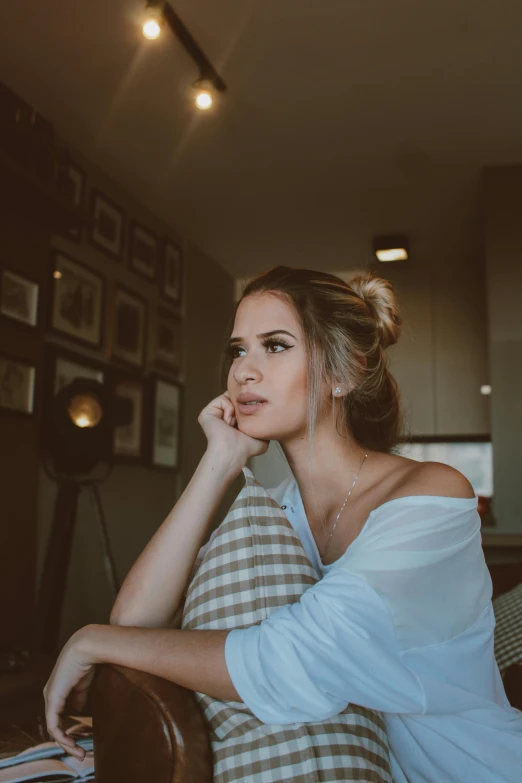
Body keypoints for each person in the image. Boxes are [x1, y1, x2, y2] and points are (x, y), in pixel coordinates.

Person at [43, 266, 522, 782]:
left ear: (345, 372)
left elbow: (292, 658)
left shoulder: (433, 497)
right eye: (237, 349)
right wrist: (220, 462)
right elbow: (135, 625)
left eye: (274, 346)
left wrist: (90, 639)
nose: (243, 371)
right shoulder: (273, 513)